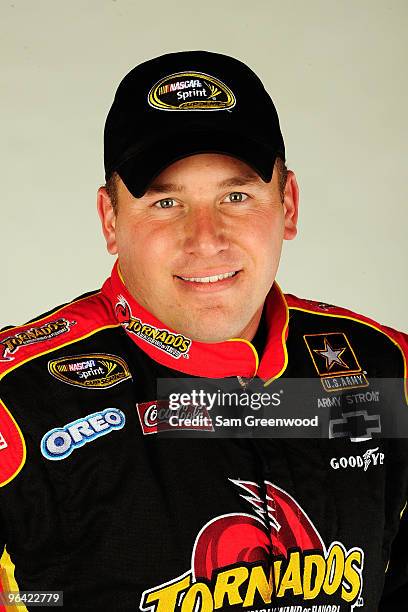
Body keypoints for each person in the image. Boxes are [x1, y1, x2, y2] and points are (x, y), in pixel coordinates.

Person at [0, 50, 407, 612]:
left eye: (236, 197)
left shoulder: (385, 369)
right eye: (166, 202)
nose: (205, 239)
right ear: (110, 220)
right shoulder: (18, 404)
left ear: (287, 204)